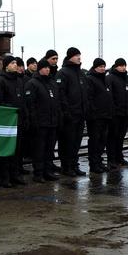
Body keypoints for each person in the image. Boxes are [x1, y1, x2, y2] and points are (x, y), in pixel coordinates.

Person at [25, 59, 61, 182]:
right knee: (39, 149)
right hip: (40, 123)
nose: (47, 69)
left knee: (49, 149)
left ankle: (48, 171)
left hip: (52, 122)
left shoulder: (52, 83)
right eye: (44, 68)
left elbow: (57, 102)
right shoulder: (32, 83)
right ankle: (38, 173)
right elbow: (31, 105)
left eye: (48, 68)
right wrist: (33, 121)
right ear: (40, 69)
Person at [0, 55, 27, 188]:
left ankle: (15, 175)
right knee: (6, 151)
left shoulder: (19, 80)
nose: (16, 65)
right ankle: (4, 177)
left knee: (17, 151)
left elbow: (23, 100)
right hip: (7, 121)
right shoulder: (0, 80)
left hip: (19, 120)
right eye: (13, 63)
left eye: (16, 63)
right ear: (6, 65)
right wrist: (11, 109)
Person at [56, 47, 87, 176]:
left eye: (79, 55)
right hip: (69, 115)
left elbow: (85, 93)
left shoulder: (80, 73)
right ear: (70, 57)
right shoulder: (63, 73)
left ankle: (74, 165)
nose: (79, 57)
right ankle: (66, 166)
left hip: (80, 114)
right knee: (67, 142)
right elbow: (61, 94)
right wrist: (66, 111)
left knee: (76, 142)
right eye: (76, 55)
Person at [84, 58, 113, 173]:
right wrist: (93, 112)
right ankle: (93, 164)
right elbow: (89, 98)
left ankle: (99, 162)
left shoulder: (105, 79)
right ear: (95, 67)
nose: (102, 68)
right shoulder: (90, 79)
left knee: (102, 141)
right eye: (100, 66)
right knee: (95, 141)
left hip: (105, 115)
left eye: (103, 66)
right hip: (95, 117)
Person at [106, 57, 128, 168]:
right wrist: (112, 110)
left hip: (125, 113)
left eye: (124, 65)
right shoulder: (110, 78)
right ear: (116, 66)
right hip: (115, 114)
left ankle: (119, 157)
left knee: (121, 137)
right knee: (112, 137)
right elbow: (109, 95)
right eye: (121, 65)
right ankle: (111, 159)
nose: (123, 67)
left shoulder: (127, 78)